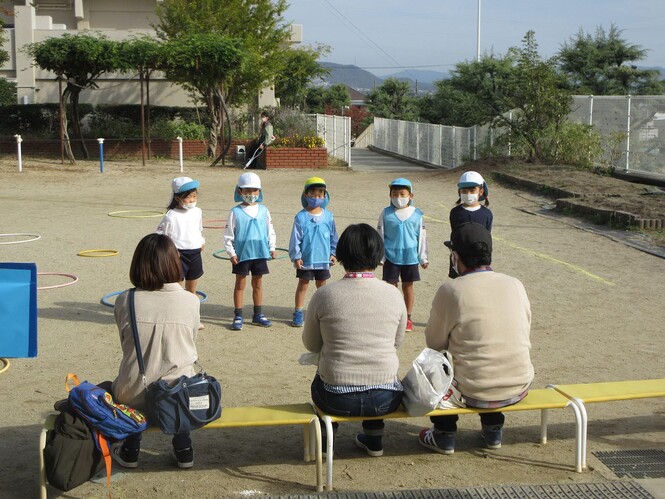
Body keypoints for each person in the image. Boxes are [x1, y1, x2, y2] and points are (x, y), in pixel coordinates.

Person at [418, 222, 533, 455]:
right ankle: (493, 429)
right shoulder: (515, 284)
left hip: (473, 390)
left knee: (432, 362)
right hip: (518, 384)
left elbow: (434, 342)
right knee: (492, 350)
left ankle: (444, 433)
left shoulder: (452, 290)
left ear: (455, 256)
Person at [303, 223, 406, 457]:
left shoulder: (324, 294)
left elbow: (311, 344)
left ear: (339, 256)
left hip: (335, 397)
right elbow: (396, 342)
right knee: (379, 376)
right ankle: (374, 439)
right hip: (385, 397)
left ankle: (327, 438)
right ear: (379, 255)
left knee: (321, 378)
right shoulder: (393, 293)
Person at [111, 233, 201, 469]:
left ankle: (130, 449)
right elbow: (190, 342)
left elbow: (126, 344)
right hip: (179, 395)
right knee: (181, 373)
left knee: (125, 383)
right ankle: (184, 449)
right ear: (174, 262)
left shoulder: (125, 300)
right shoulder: (191, 301)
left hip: (135, 392)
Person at [224, 172, 276, 330]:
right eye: (247, 191)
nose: (251, 194)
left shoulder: (264, 210)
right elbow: (228, 236)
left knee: (258, 284)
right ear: (240, 191)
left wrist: (272, 247)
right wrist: (232, 253)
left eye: (255, 191)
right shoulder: (235, 212)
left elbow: (270, 231)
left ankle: (257, 314)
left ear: (259, 192)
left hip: (260, 253)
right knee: (240, 284)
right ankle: (238, 315)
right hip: (242, 255)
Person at [377, 178, 428, 332]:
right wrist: (380, 257)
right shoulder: (386, 213)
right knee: (390, 288)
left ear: (410, 196)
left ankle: (407, 317)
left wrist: (423, 258)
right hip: (391, 257)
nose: (398, 197)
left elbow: (421, 237)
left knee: (408, 287)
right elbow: (380, 235)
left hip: (410, 257)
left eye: (402, 194)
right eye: (394, 194)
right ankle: (391, 316)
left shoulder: (417, 214)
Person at [288, 177, 338, 327]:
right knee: (303, 285)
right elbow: (295, 239)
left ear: (325, 196)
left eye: (320, 194)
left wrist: (334, 253)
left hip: (323, 260)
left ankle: (323, 312)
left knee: (322, 285)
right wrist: (296, 256)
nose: (316, 197)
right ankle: (298, 312)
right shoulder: (301, 217)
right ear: (305, 195)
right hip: (306, 260)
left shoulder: (328, 216)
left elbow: (333, 237)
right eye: (313, 194)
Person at [156, 176, 205, 329]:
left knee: (192, 290)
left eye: (194, 196)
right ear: (178, 197)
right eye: (188, 197)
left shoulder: (197, 212)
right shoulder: (171, 216)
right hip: (177, 256)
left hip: (195, 253)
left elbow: (199, 229)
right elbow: (161, 236)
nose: (192, 200)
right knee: (176, 290)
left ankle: (194, 320)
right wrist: (170, 251)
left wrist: (201, 241)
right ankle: (175, 319)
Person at [448, 171, 492, 278]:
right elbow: (455, 234)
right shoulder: (455, 212)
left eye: (472, 190)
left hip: (480, 258)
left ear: (481, 191)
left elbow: (487, 236)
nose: (468, 194)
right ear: (459, 192)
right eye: (464, 190)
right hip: (460, 258)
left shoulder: (486, 214)